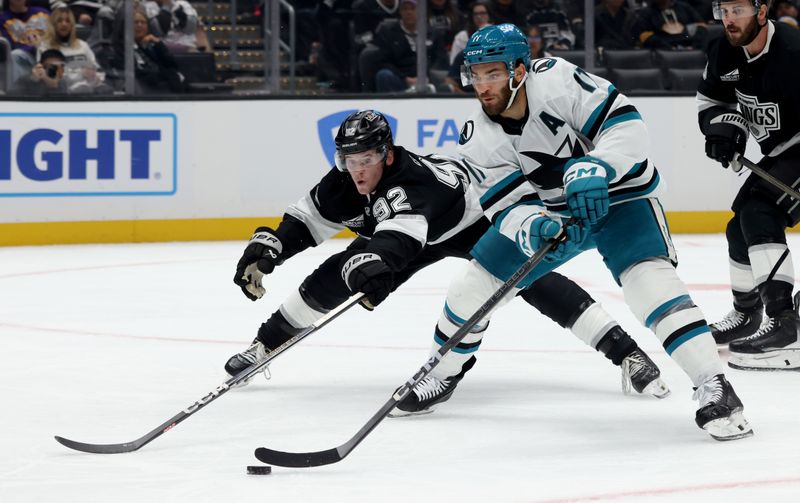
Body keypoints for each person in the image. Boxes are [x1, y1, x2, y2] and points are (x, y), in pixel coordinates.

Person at [224, 110, 670, 416]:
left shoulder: (411, 186)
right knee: (330, 279)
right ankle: (265, 346)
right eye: (349, 161)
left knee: (535, 281)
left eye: (368, 159)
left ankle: (628, 355)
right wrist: (271, 248)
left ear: (388, 154)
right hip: (407, 234)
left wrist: (370, 264)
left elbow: (400, 239)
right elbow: (306, 219)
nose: (358, 171)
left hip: (473, 218)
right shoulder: (344, 181)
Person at [449, 23, 752, 440]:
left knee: (650, 285)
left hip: (621, 197)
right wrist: (531, 225)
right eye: (476, 75)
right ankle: (438, 373)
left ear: (520, 71)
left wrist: (600, 164)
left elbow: (628, 126)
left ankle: (714, 385)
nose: (482, 86)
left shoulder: (555, 80)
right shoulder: (476, 135)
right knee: (473, 285)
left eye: (493, 73)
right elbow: (503, 204)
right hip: (553, 217)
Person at [697, 0, 800, 370]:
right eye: (723, 10)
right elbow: (711, 99)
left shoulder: (792, 51)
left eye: (737, 9)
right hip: (781, 152)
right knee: (739, 225)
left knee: (759, 212)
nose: (728, 19)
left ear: (762, 11)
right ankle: (747, 315)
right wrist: (723, 128)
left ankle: (787, 324)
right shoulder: (723, 51)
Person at [0, 0, 50, 84]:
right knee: (15, 55)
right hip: (22, 58)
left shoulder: (43, 13)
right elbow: (7, 47)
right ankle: (16, 94)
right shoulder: (2, 19)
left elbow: (54, 35)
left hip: (47, 53)